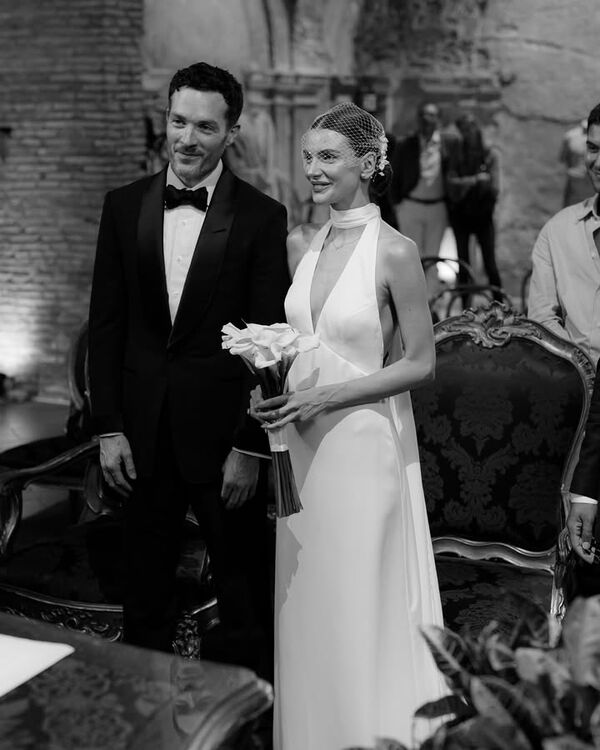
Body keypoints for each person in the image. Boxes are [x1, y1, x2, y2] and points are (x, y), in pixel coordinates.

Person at [252, 102, 445, 749]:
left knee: (359, 600)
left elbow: (420, 363)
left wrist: (326, 397)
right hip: (302, 451)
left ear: (368, 164)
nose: (313, 168)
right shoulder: (300, 244)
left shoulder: (396, 251)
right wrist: (271, 390)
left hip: (364, 452)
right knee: (308, 603)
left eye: (328, 157)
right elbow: (302, 342)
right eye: (308, 156)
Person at [87, 62, 289, 678]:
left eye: (205, 126)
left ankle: (246, 715)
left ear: (231, 132)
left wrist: (249, 447)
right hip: (140, 440)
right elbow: (107, 327)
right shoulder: (123, 206)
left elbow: (267, 343)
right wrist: (109, 428)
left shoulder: (261, 216)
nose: (187, 138)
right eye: (179, 121)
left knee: (244, 599)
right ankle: (145, 713)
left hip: (224, 444)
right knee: (144, 598)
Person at [528, 102, 600, 366]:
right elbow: (542, 319)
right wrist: (581, 366)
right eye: (593, 148)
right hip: (578, 378)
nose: (598, 163)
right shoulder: (557, 231)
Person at [389, 101, 461, 259]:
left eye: (431, 115)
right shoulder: (406, 144)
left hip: (437, 207)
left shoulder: (449, 143)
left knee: (432, 257)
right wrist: (397, 205)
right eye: (423, 115)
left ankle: (431, 277)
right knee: (412, 257)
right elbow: (394, 175)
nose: (426, 119)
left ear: (438, 119)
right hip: (411, 205)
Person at [447, 112, 503, 302]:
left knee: (490, 264)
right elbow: (451, 181)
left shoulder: (489, 153)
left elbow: (495, 187)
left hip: (483, 214)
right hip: (461, 213)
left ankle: (500, 306)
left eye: (469, 128)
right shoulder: (457, 152)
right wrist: (474, 180)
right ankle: (465, 309)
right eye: (463, 129)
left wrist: (469, 183)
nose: (467, 133)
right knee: (463, 264)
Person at [560, 118, 591, 207]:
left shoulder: (570, 135)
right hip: (576, 175)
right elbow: (563, 157)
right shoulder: (571, 136)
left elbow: (563, 157)